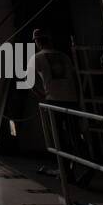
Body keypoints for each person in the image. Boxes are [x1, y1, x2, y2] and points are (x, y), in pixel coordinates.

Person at [31, 29, 89, 184]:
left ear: (37, 42)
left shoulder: (37, 58)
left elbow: (28, 82)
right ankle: (87, 165)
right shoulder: (64, 56)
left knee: (58, 137)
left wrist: (42, 96)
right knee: (75, 135)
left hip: (53, 101)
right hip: (71, 100)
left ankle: (66, 172)